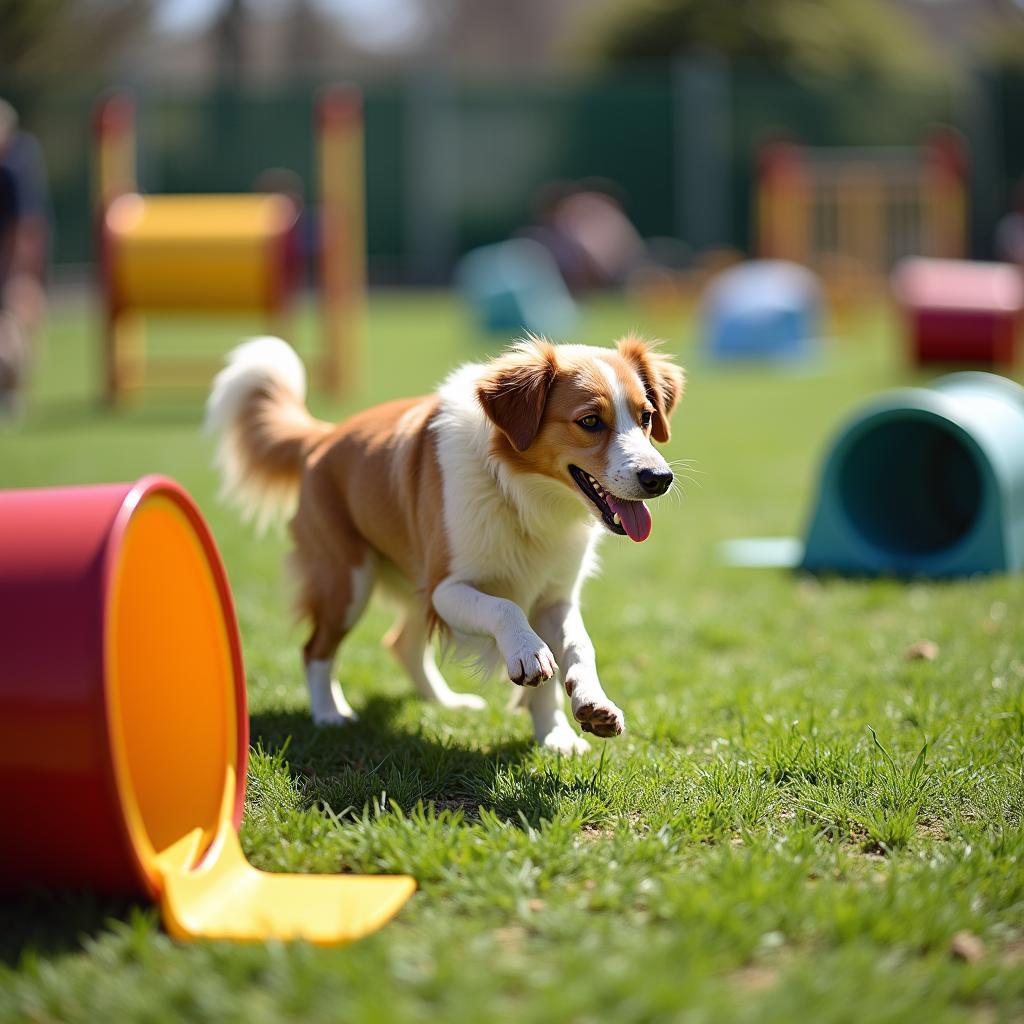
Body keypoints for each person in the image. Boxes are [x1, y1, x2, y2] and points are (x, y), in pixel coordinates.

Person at [0, 99, 49, 415]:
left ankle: (11, 394)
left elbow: (27, 230)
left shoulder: (15, 172)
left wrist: (17, 272)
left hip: (16, 262)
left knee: (15, 326)